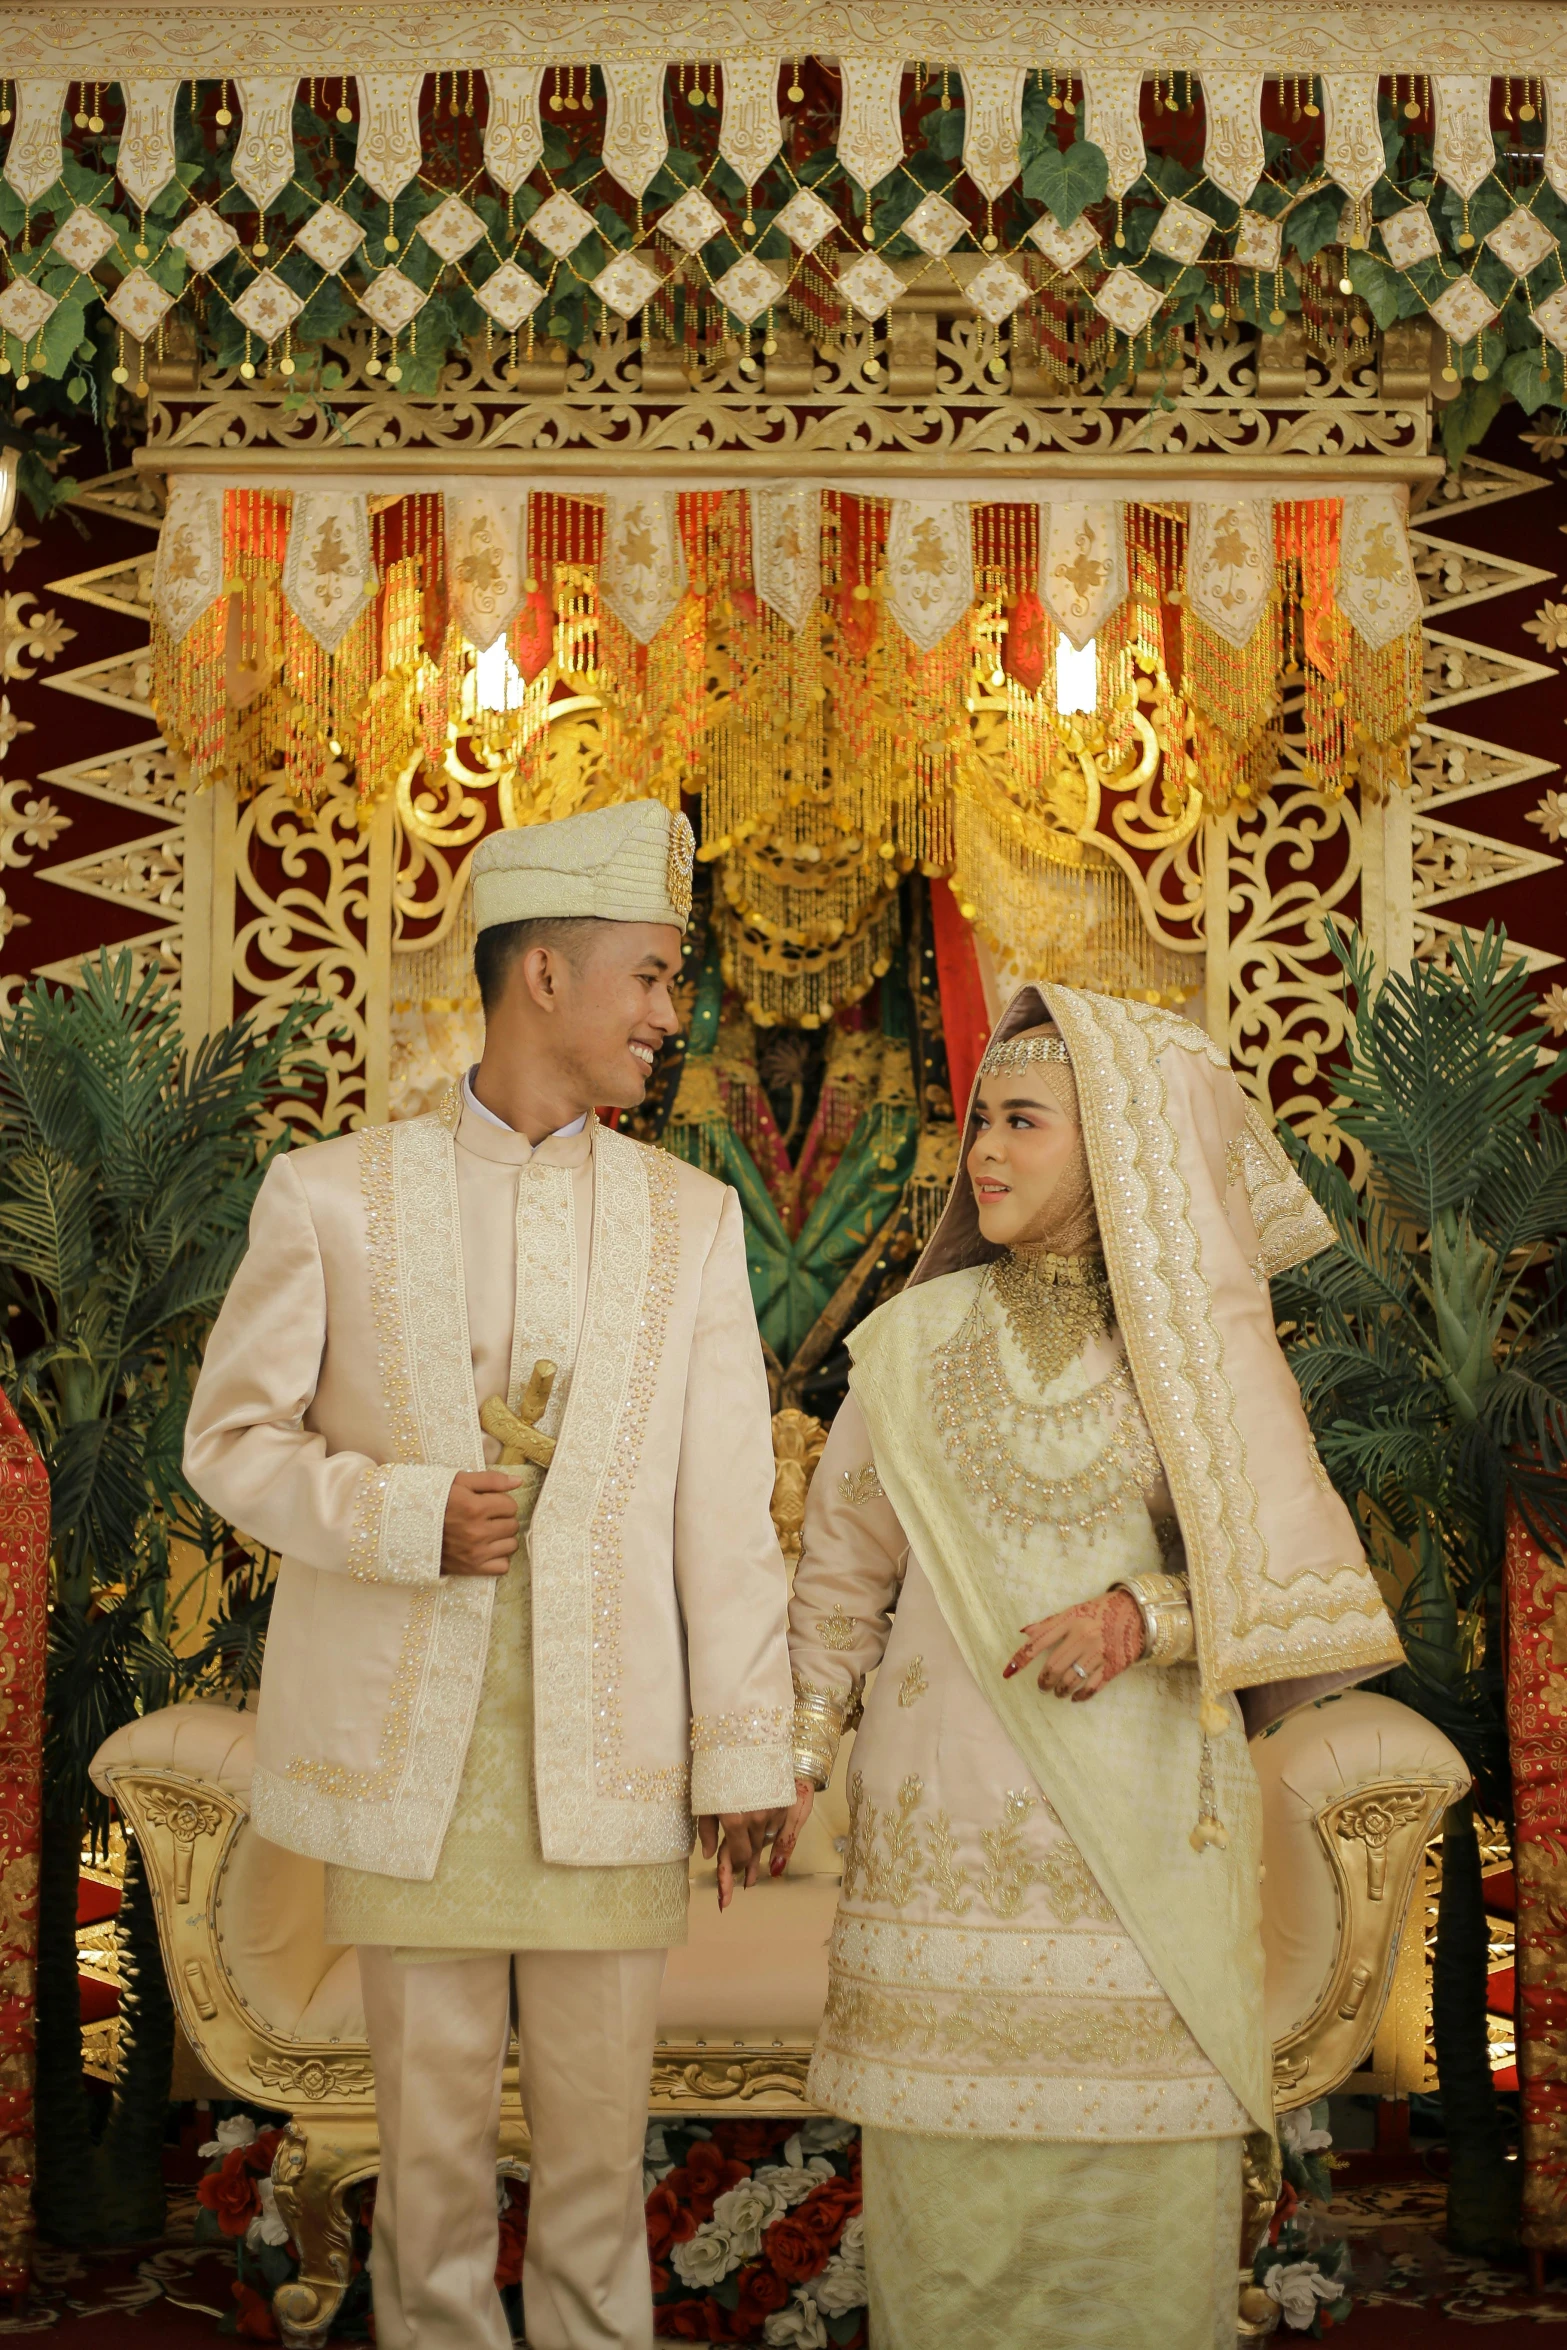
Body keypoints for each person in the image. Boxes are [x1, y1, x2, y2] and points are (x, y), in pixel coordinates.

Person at [185, 799, 795, 2350]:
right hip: (415, 1760)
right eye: (648, 978)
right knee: (435, 2166)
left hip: (606, 1758)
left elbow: (725, 1508)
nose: (670, 1014)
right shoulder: (330, 1195)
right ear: (544, 977)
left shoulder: (691, 1221)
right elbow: (231, 1439)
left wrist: (743, 1749)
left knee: (599, 2172)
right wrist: (400, 1514)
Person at [773, 981, 1403, 2350]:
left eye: (1020, 1121)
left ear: (1113, 1140)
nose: (981, 1153)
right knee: (951, 2216)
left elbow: (1289, 1580)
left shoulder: (1196, 1361)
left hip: (1139, 1840)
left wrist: (1145, 1612)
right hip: (942, 1830)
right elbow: (841, 1571)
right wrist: (798, 1749)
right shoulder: (913, 1339)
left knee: (1137, 2215)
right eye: (976, 1123)